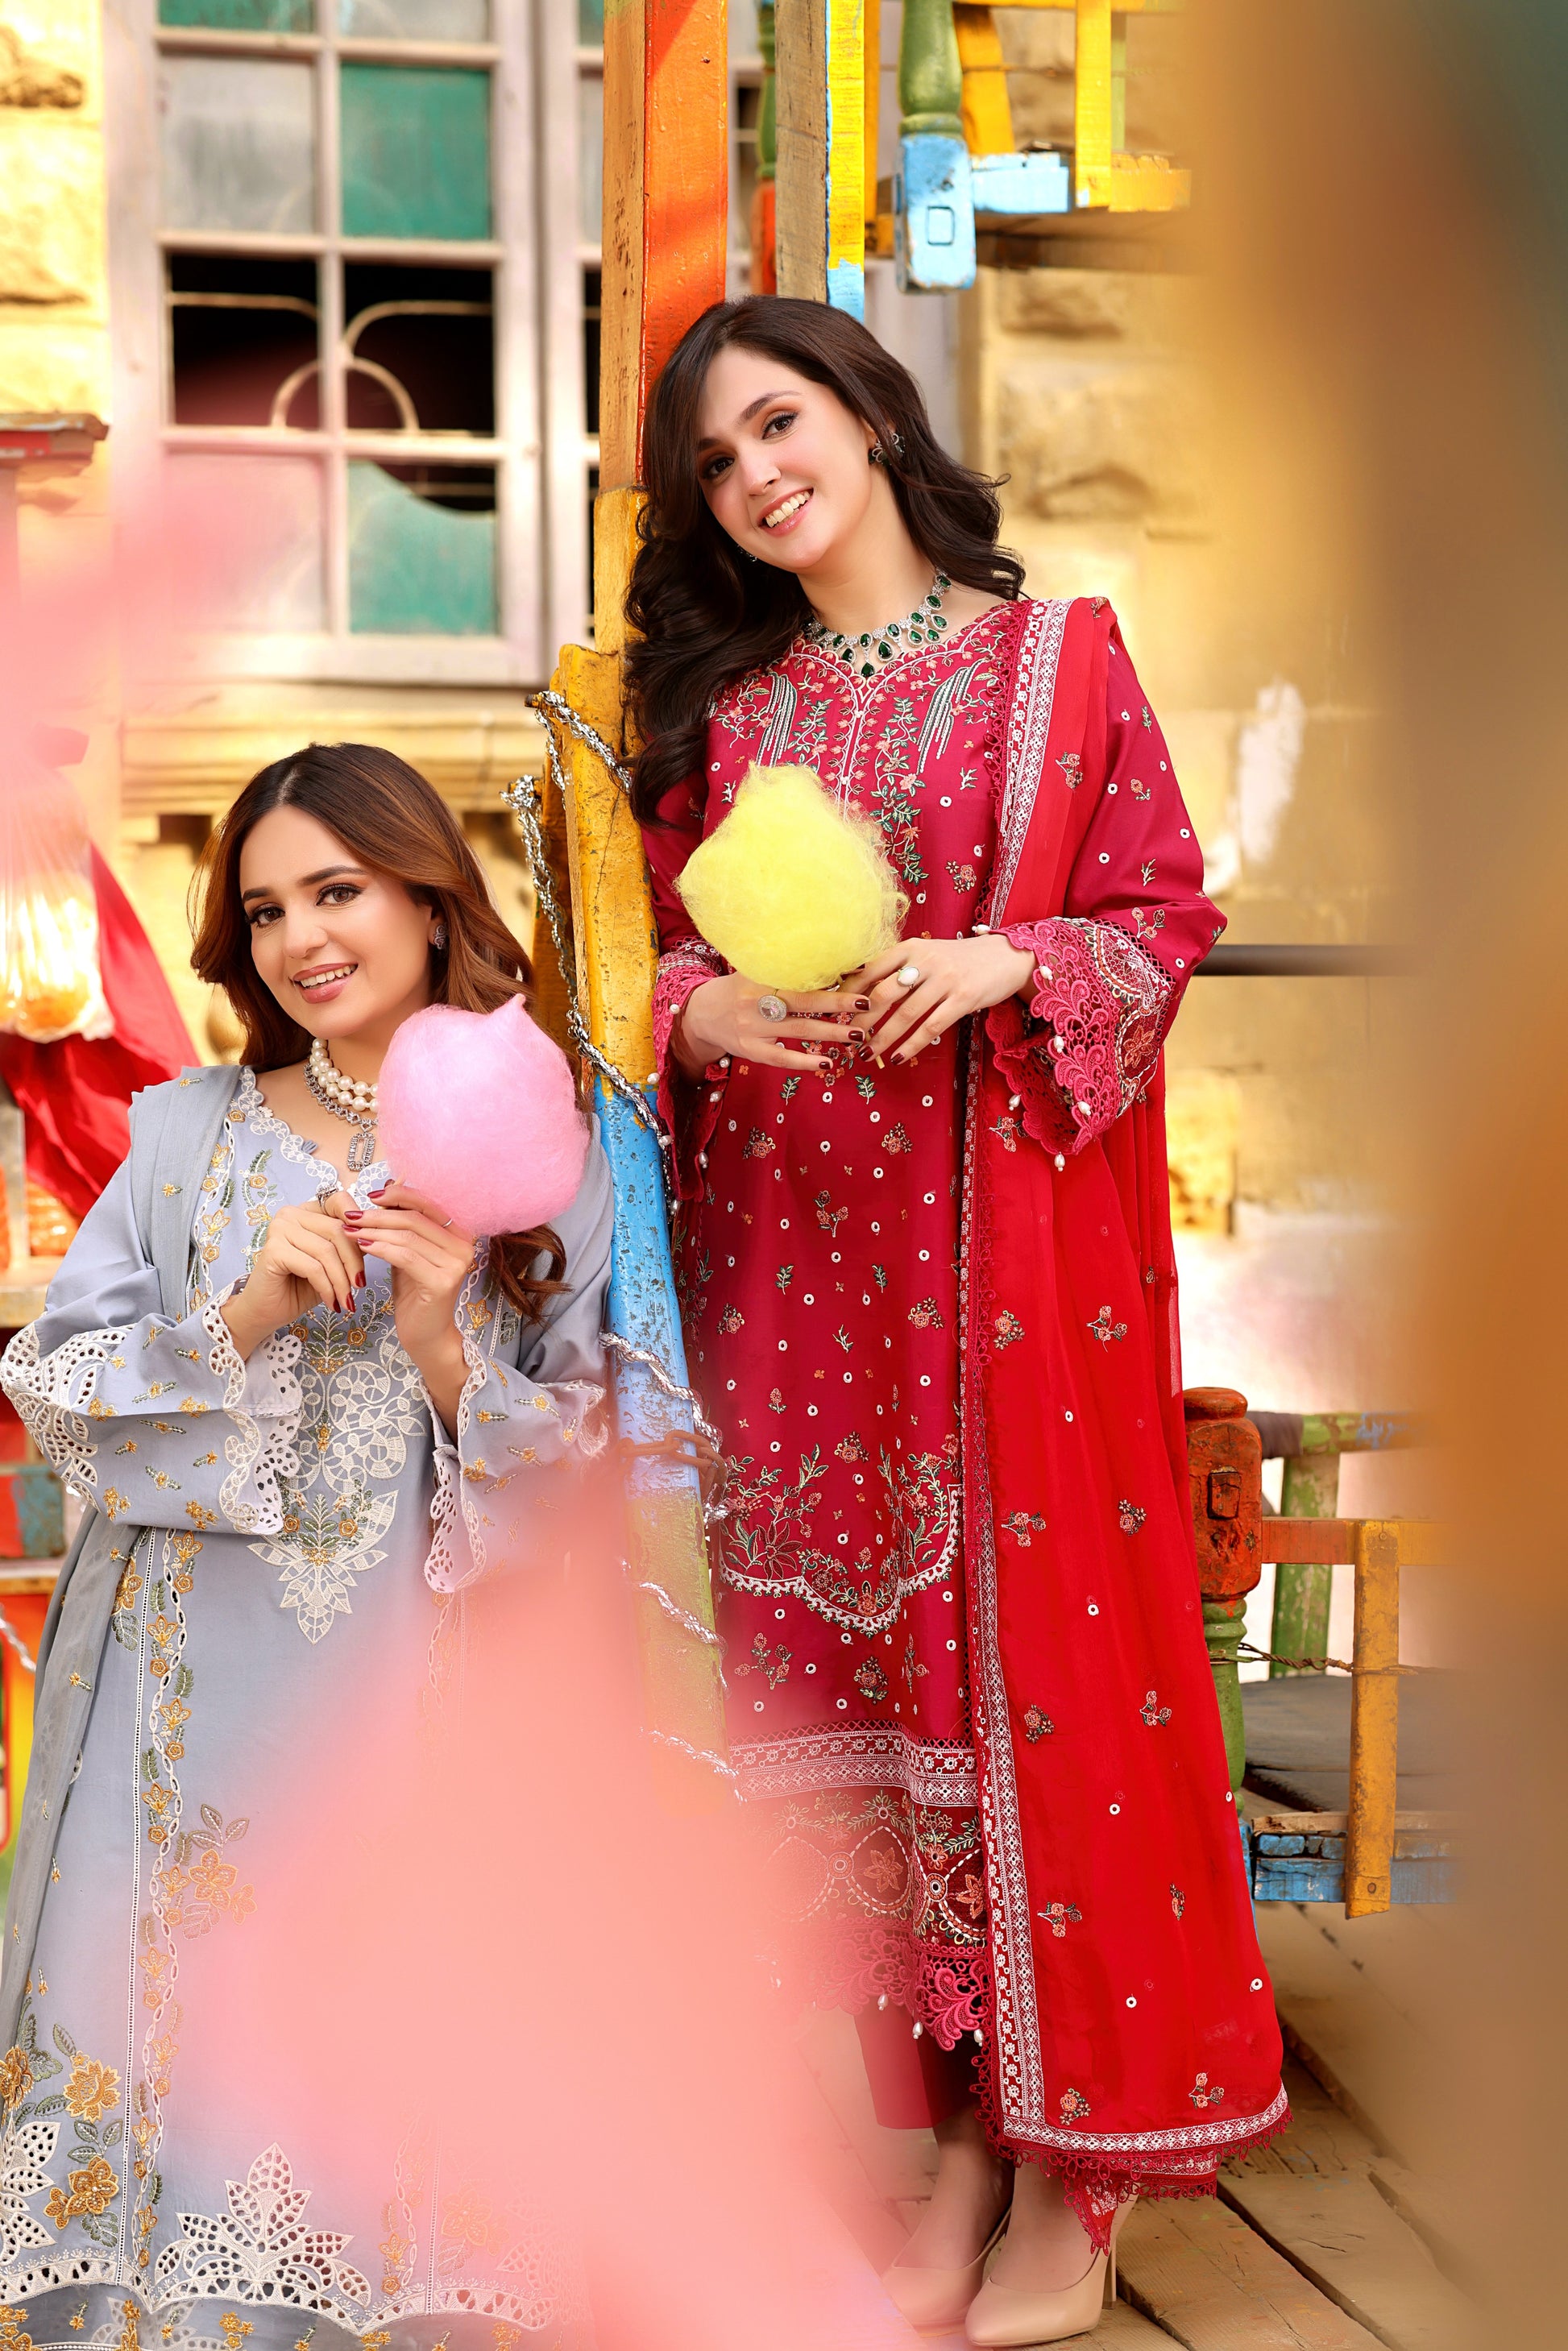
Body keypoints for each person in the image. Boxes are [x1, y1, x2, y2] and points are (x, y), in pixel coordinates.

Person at [626, 296, 1287, 2346]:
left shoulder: (1059, 659)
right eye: (715, 463)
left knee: (1034, 1683)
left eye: (778, 422)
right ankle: (950, 2150)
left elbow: (1162, 911)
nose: (755, 476)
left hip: (1002, 1286)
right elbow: (641, 958)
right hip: (792, 1279)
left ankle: (1065, 2173)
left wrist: (1009, 961)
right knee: (855, 1699)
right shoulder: (730, 712)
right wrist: (694, 1016)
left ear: (869, 413)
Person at [0, 745, 612, 2349]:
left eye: (336, 890)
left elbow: (604, 1468)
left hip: (426, 1680)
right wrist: (247, 1308)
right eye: (266, 909)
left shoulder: (553, 1141)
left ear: (430, 896)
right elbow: (55, 1394)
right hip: (181, 1693)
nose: (299, 939)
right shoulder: (180, 1133)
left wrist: (440, 1338)